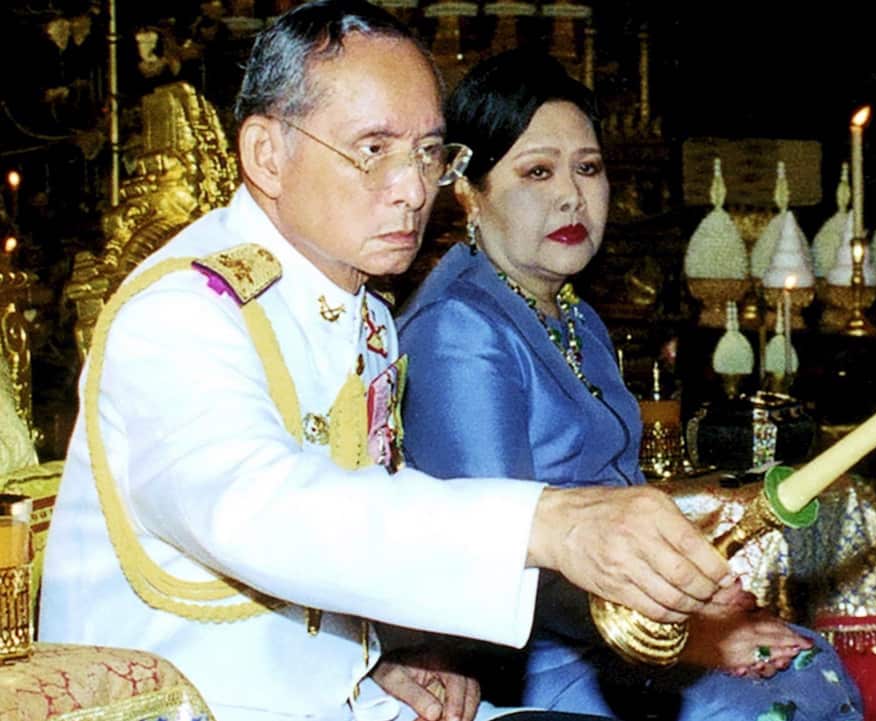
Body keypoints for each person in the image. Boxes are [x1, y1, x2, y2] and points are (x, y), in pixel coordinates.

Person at [38, 4, 735, 721]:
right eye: (373, 148)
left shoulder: (364, 312)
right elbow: (261, 508)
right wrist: (547, 523)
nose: (412, 189)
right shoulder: (184, 310)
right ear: (266, 155)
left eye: (430, 153)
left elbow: (356, 535)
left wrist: (394, 644)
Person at [396, 49, 864, 721]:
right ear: (470, 188)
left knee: (810, 659)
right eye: (537, 171)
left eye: (588, 168)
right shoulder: (460, 328)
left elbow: (612, 487)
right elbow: (498, 556)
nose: (571, 195)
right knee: (773, 702)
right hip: (531, 653)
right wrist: (685, 634)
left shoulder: (572, 313)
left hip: (609, 621)